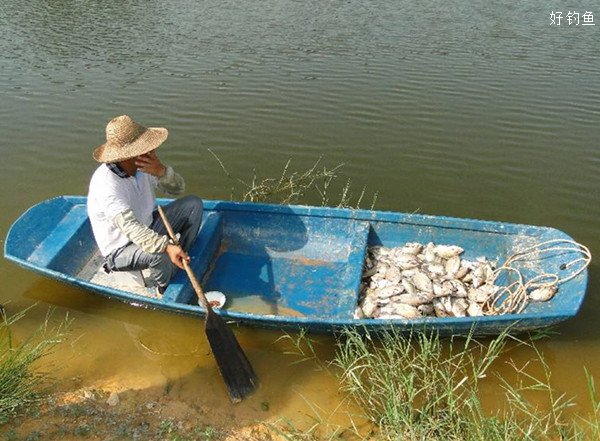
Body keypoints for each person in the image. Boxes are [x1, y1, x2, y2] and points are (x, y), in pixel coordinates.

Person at [87, 115, 203, 295]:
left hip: (149, 225)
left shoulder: (143, 167)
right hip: (121, 248)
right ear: (129, 155)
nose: (152, 150)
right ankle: (163, 288)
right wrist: (166, 246)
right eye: (146, 148)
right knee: (159, 255)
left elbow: (178, 189)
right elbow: (131, 228)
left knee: (193, 205)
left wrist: (162, 171)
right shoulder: (106, 184)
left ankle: (181, 258)